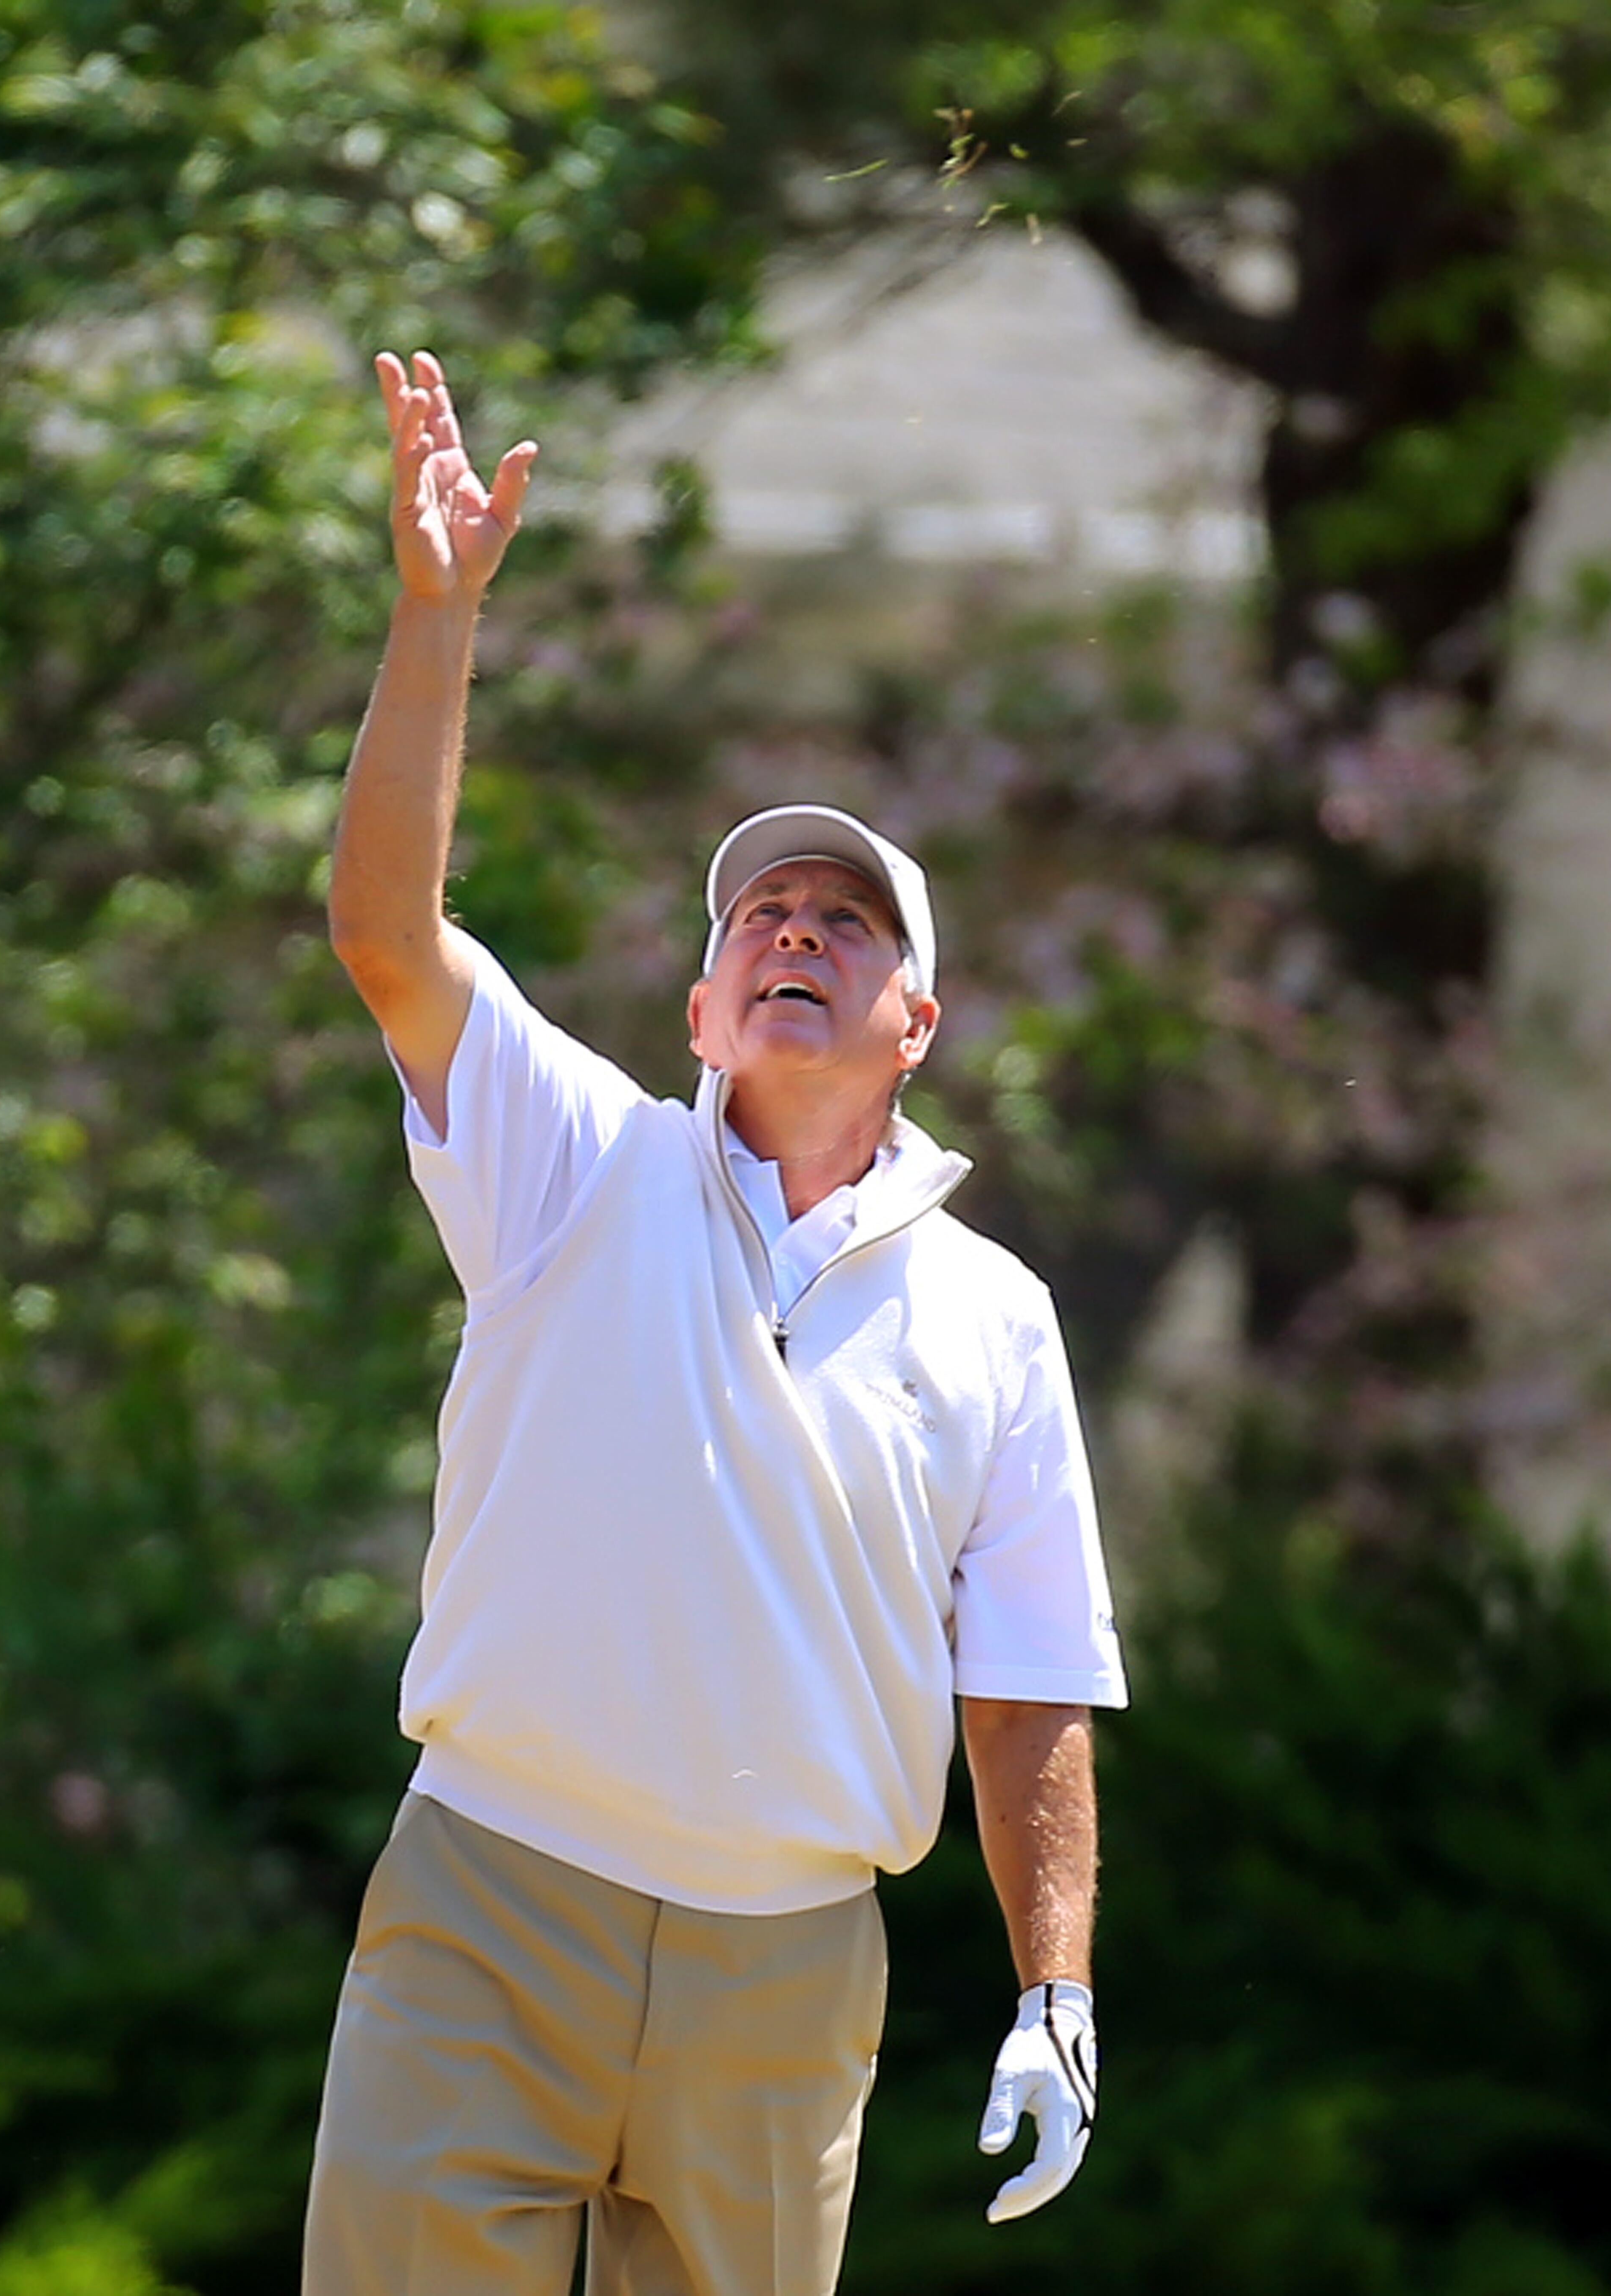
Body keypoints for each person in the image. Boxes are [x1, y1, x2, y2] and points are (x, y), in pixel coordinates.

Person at [305, 347, 1129, 2296]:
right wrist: (438, 621)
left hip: (786, 1975)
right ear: (694, 1013)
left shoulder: (996, 1315)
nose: (795, 937)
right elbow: (383, 932)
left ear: (916, 1027)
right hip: (491, 1901)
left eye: (849, 924)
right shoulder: (573, 1152)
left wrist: (1058, 1995)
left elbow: (1027, 1687)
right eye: (759, 918)